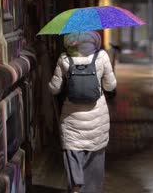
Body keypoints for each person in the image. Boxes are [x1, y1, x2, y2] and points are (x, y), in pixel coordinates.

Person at [48, 31, 117, 193]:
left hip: (71, 118)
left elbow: (54, 89)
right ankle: (91, 189)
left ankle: (76, 186)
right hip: (97, 117)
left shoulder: (64, 58)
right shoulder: (101, 56)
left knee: (73, 152)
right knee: (95, 156)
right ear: (94, 38)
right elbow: (110, 86)